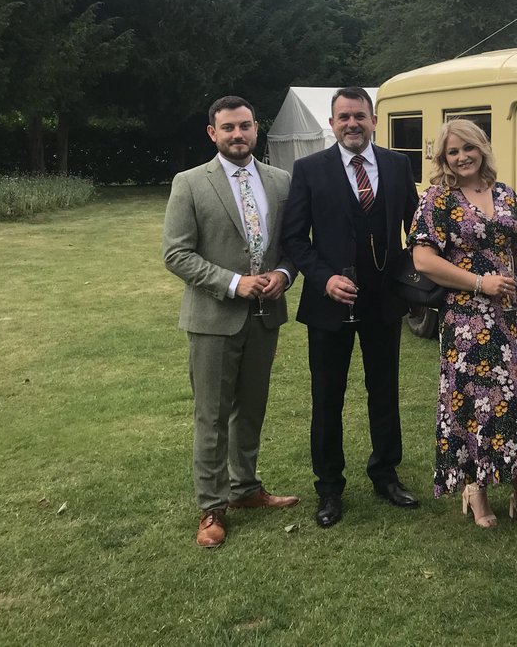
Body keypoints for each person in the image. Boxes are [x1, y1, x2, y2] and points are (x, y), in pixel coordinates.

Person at [162, 95, 299, 549]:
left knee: (252, 409)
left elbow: (293, 245)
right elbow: (176, 254)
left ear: (256, 129)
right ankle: (212, 508)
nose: (237, 135)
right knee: (212, 415)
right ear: (212, 133)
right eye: (228, 128)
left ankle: (245, 490)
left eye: (245, 126)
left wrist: (283, 274)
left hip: (265, 318)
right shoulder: (189, 183)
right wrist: (233, 282)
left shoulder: (281, 181)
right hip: (213, 318)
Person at [281, 87, 420, 529]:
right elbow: (294, 239)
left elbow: (415, 228)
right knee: (327, 398)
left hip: (383, 302)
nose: (351, 124)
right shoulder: (308, 170)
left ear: (374, 119)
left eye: (359, 116)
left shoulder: (399, 165)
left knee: (384, 391)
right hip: (329, 304)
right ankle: (329, 488)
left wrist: (410, 276)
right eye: (343, 117)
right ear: (331, 122)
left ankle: (385, 474)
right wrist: (324, 279)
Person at [409, 119, 517, 535]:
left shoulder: (505, 194)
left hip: (510, 320)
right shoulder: (437, 199)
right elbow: (423, 259)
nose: (461, 157)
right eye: (452, 152)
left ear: (482, 148)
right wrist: (479, 282)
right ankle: (476, 490)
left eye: (467, 148)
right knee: (472, 405)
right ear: (443, 158)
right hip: (467, 322)